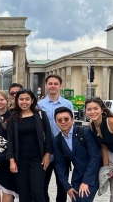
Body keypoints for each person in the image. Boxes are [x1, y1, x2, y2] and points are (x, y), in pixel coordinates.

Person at [7, 89, 52, 202]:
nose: (24, 102)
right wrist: (12, 161)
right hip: (20, 159)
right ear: (17, 101)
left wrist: (47, 155)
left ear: (32, 100)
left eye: (27, 99)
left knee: (38, 191)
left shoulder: (40, 115)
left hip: (37, 158)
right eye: (21, 99)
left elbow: (48, 135)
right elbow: (10, 140)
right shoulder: (13, 118)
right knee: (24, 192)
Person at [52, 107, 102, 202]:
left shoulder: (85, 132)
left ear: (72, 119)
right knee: (75, 199)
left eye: (66, 119)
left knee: (83, 199)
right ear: (55, 122)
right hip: (77, 175)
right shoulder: (57, 140)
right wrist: (67, 186)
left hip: (92, 172)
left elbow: (95, 157)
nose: (63, 122)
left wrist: (86, 182)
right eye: (59, 120)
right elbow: (59, 164)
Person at [38, 74, 74, 202]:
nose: (53, 86)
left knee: (62, 185)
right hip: (45, 150)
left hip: (62, 149)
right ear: (46, 85)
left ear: (60, 86)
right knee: (43, 185)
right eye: (50, 83)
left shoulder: (67, 104)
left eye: (56, 84)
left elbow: (71, 125)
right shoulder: (39, 105)